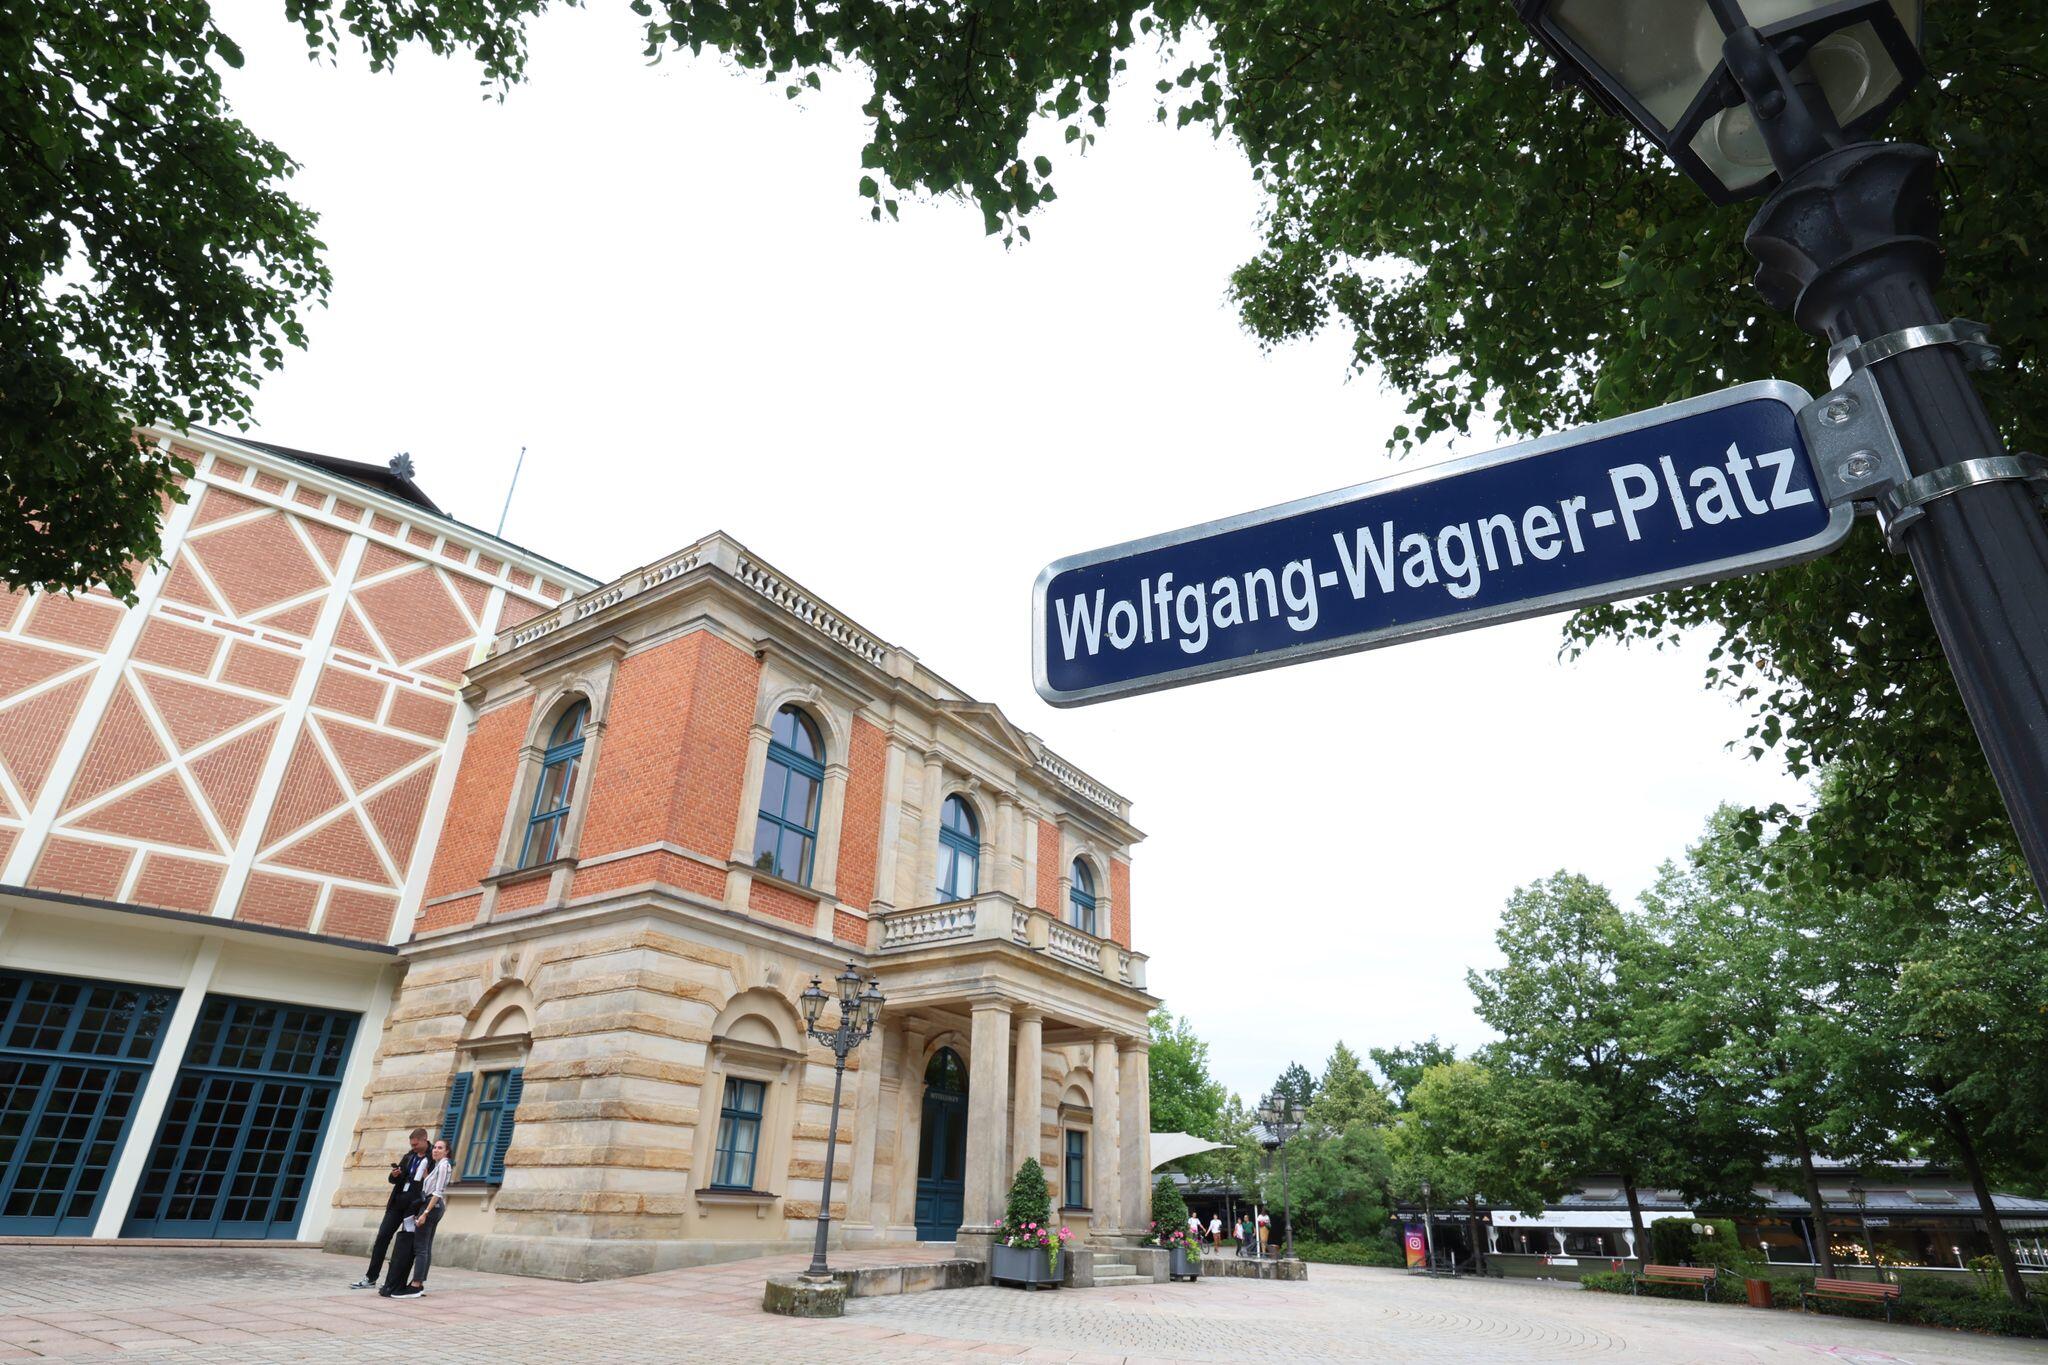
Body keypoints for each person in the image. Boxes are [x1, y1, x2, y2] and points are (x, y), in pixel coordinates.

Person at [352, 1128, 431, 1289]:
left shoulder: (432, 1157)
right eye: (412, 1145)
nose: (413, 1147)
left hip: (414, 1207)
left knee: (404, 1244)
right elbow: (394, 1179)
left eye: (416, 1144)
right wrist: (395, 1175)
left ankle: (393, 1282)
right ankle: (371, 1277)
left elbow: (433, 1183)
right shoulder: (409, 1156)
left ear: (424, 1139)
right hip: (397, 1203)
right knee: (382, 1237)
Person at [380, 1137, 453, 1299]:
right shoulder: (439, 1165)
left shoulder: (444, 1165)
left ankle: (416, 1285)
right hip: (432, 1205)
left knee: (420, 1247)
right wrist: (427, 1177)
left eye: (440, 1148)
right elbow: (432, 1186)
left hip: (432, 1206)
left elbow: (438, 1192)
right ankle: (418, 1283)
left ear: (447, 1151)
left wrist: (425, 1213)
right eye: (435, 1147)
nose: (436, 1150)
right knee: (425, 1246)